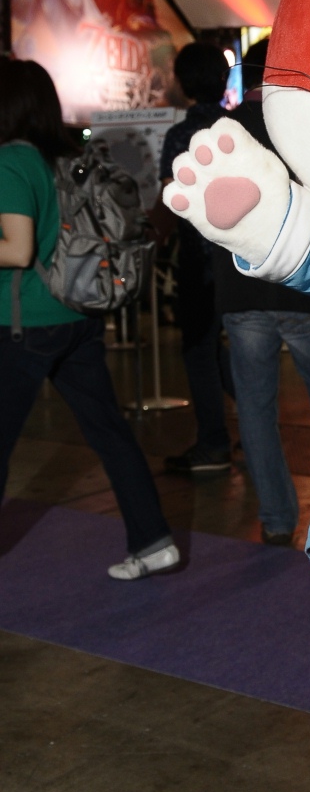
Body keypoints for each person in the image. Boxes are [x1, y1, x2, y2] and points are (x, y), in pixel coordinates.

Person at [0, 56, 178, 579]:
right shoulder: (66, 157)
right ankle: (154, 541)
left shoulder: (10, 162)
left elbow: (17, 249)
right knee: (109, 432)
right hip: (78, 315)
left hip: (25, 323)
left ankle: (153, 541)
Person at [213, 40, 310, 544]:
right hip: (306, 287)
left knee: (254, 407)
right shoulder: (305, 127)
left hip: (241, 290)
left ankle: (274, 520)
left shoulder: (220, 133)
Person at [159, 43, 235, 474]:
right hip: (241, 259)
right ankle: (258, 427)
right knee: (237, 346)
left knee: (199, 351)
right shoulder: (235, 128)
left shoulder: (179, 136)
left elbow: (171, 201)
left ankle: (213, 443)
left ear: (185, 83)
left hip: (198, 259)